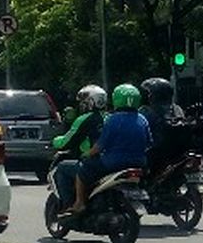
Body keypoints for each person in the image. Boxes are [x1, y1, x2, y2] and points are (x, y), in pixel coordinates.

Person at [66, 83, 151, 215]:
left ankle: (79, 203)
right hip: (139, 163)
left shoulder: (112, 120)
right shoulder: (142, 119)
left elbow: (100, 146)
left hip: (112, 162)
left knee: (83, 169)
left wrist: (87, 154)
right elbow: (148, 142)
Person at [50, 85, 107, 209]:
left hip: (92, 161)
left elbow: (67, 140)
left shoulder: (84, 119)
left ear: (91, 102)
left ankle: (70, 205)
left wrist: (54, 141)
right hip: (109, 161)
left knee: (62, 168)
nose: (82, 104)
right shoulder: (109, 117)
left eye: (84, 101)